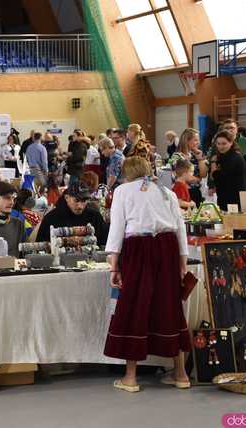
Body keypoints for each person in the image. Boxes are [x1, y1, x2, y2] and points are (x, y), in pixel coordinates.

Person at [104, 156, 191, 393]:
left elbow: (117, 226)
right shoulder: (166, 192)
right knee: (170, 305)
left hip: (138, 248)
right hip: (168, 247)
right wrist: (182, 261)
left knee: (134, 306)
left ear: (127, 173)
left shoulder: (123, 191)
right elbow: (179, 226)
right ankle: (181, 374)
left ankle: (130, 378)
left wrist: (114, 264)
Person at [35, 181, 108, 244]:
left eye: (84, 201)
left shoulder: (95, 217)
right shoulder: (51, 218)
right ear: (67, 198)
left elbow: (104, 243)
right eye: (76, 200)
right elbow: (41, 248)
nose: (80, 206)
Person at [210, 130, 246, 211]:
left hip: (233, 199)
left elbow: (215, 177)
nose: (221, 146)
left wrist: (213, 162)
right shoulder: (223, 156)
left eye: (224, 143)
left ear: (231, 143)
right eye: (218, 143)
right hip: (225, 197)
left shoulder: (233, 157)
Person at [168, 128, 208, 207]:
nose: (198, 143)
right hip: (183, 192)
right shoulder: (176, 156)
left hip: (196, 192)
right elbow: (185, 178)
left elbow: (203, 174)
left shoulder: (195, 154)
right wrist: (197, 179)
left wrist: (200, 158)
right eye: (195, 140)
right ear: (187, 140)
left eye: (198, 140)